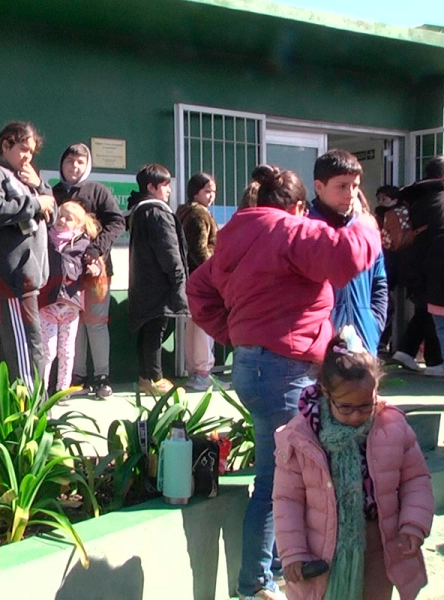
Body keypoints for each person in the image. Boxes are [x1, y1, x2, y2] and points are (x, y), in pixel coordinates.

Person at [187, 165, 381, 600]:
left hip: (254, 366)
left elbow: (198, 290)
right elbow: (347, 256)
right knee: (280, 480)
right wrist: (368, 224)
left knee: (286, 473)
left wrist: (239, 332)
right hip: (283, 371)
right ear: (296, 206)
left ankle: (277, 564)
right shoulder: (291, 231)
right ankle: (255, 581)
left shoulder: (236, 235)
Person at [274, 328, 434, 600]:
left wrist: (413, 525)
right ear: (326, 393)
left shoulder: (392, 427)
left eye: (365, 406)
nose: (357, 415)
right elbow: (287, 500)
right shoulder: (301, 437)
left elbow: (415, 480)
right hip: (322, 548)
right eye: (346, 407)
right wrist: (293, 552)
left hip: (379, 544)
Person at [0, 121, 55, 391]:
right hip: (13, 278)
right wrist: (36, 203)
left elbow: (51, 212)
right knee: (28, 347)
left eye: (32, 152)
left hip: (23, 276)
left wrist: (41, 187)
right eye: (23, 149)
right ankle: (33, 416)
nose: (28, 157)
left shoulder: (24, 177)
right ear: (6, 144)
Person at [52, 143, 125, 398]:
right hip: (63, 275)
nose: (75, 166)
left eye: (81, 162)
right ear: (62, 164)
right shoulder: (54, 193)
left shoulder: (98, 191)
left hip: (96, 271)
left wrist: (94, 251)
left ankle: (102, 376)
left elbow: (118, 222)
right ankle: (77, 376)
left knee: (95, 323)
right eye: (70, 161)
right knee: (73, 323)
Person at [307, 149, 387, 358]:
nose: (350, 193)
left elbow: (379, 281)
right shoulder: (304, 229)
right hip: (320, 347)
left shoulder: (365, 228)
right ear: (319, 187)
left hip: (364, 341)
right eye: (342, 186)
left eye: (355, 186)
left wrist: (374, 322)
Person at [127, 163, 189, 397]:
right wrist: (178, 280)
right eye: (165, 185)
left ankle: (145, 376)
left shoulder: (139, 211)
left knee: (147, 329)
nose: (169, 190)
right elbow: (169, 250)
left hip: (143, 283)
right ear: (151, 187)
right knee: (156, 330)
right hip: (159, 283)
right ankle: (155, 378)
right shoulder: (158, 212)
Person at [39, 201, 101, 398]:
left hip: (71, 305)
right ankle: (40, 390)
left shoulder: (83, 244)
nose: (61, 220)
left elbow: (94, 266)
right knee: (47, 350)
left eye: (68, 218)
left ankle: (62, 390)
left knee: (66, 351)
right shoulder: (45, 237)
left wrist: (94, 270)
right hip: (47, 303)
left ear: (79, 226)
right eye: (60, 216)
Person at [176, 172, 227, 391]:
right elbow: (199, 249)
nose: (212, 195)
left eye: (214, 191)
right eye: (207, 191)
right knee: (203, 326)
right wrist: (214, 272)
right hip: (202, 278)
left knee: (195, 325)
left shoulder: (187, 212)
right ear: (195, 192)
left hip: (192, 277)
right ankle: (202, 373)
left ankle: (197, 371)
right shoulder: (198, 214)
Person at [399, 155, 444, 378]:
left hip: (414, 263)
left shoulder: (414, 197)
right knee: (434, 316)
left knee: (428, 313)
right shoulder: (439, 198)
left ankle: (407, 350)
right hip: (433, 267)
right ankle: (435, 359)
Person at [374, 184, 400, 355]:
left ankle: (383, 339)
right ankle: (382, 339)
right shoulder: (376, 217)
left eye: (385, 198)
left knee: (386, 304)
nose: (382, 202)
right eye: (379, 198)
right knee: (385, 304)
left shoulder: (398, 215)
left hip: (391, 264)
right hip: (385, 264)